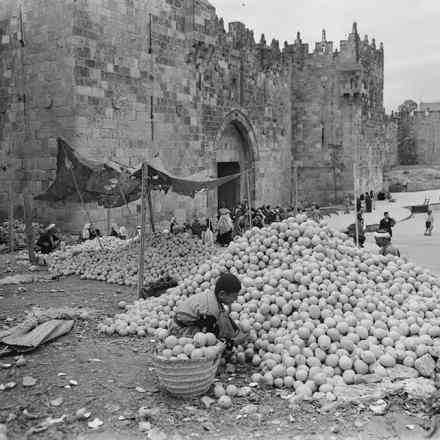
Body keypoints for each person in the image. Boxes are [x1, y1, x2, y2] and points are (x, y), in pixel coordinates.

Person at [169, 273, 248, 345]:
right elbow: (211, 336)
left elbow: (224, 315)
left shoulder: (213, 297)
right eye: (234, 296)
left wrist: (236, 330)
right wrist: (232, 342)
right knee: (207, 341)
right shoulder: (210, 311)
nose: (236, 299)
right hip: (178, 329)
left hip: (193, 321)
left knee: (222, 320)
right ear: (222, 294)